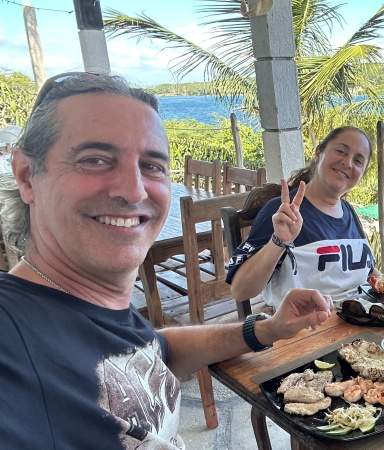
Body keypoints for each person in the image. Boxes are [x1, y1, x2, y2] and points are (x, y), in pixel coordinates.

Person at [0, 72, 332, 449]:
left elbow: (154, 349)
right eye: (95, 159)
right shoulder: (12, 338)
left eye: (152, 165)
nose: (134, 190)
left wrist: (267, 329)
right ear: (27, 176)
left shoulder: (91, 306)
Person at [226, 126, 375, 308]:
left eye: (358, 161)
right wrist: (278, 242)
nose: (348, 163)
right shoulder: (283, 212)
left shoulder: (349, 211)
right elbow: (240, 290)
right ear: (318, 153)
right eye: (341, 151)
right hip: (307, 323)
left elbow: (366, 272)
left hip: (361, 318)